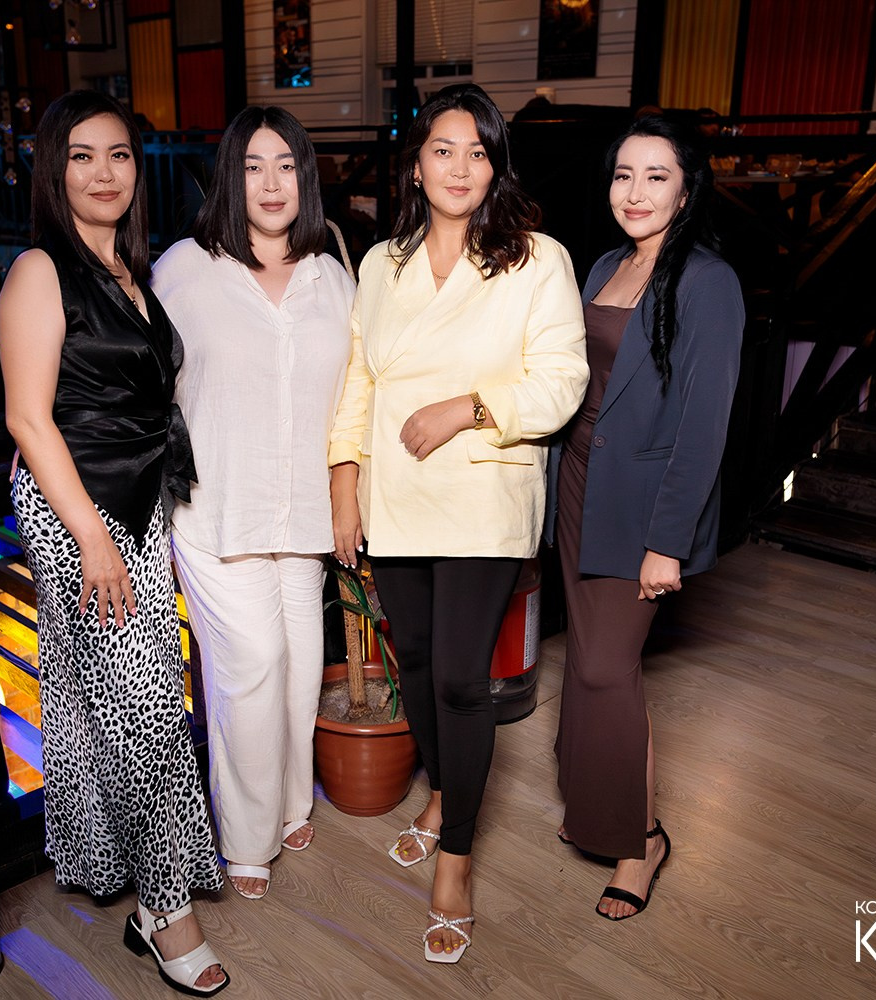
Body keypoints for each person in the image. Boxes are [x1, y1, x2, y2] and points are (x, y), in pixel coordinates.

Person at [328, 83, 588, 964]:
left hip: (482, 495)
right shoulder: (381, 263)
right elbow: (359, 379)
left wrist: (466, 408)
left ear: (495, 167)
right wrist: (344, 481)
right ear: (415, 165)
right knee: (418, 662)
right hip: (396, 496)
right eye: (444, 149)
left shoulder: (537, 259)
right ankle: (442, 795)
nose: (460, 167)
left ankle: (457, 861)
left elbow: (562, 380)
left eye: (479, 151)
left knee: (460, 682)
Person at [0, 90, 229, 996]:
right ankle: (169, 913)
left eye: (120, 155)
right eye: (83, 156)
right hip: (78, 516)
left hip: (131, 509)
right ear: (54, 171)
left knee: (115, 706)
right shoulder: (39, 270)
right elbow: (28, 418)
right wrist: (93, 536)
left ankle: (131, 884)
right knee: (147, 717)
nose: (104, 173)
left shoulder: (128, 269)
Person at [151, 106, 354, 901]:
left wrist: (348, 491)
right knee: (251, 667)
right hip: (214, 511)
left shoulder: (332, 271)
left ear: (306, 177)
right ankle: (244, 836)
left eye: (286, 165)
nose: (271, 184)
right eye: (252, 166)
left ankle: (292, 802)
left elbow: (354, 392)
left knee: (301, 667)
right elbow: (136, 378)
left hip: (302, 511)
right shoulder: (184, 268)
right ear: (228, 179)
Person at [548, 114, 744, 921]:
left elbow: (704, 425)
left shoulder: (707, 281)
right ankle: (595, 804)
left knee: (606, 666)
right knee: (591, 660)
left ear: (687, 189)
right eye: (623, 174)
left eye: (656, 176)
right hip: (579, 482)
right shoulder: (605, 263)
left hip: (642, 501)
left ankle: (642, 839)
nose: (635, 192)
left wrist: (668, 541)